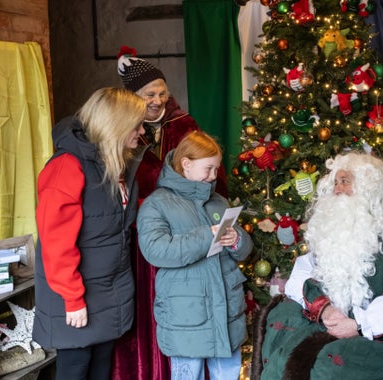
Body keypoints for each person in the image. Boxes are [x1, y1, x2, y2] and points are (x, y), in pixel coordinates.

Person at [253, 151, 383, 380]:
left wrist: (359, 324)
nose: (337, 189)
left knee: (327, 368)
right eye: (335, 182)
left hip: (377, 331)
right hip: (328, 318)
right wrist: (325, 309)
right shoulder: (335, 226)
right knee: (280, 326)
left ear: (370, 187)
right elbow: (305, 271)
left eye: (345, 181)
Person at [112, 46, 229, 380]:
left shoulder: (184, 126)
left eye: (162, 92)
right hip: (142, 236)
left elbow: (213, 180)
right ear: (132, 96)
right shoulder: (124, 134)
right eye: (150, 94)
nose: (158, 100)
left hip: (187, 232)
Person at [32, 87, 147, 380]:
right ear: (116, 125)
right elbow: (56, 245)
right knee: (75, 369)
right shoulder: (66, 167)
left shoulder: (114, 163)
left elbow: (115, 222)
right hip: (77, 296)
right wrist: (73, 299)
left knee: (101, 368)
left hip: (109, 292)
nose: (142, 131)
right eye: (137, 124)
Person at [137, 130, 253, 380]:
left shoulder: (218, 201)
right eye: (208, 169)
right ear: (186, 164)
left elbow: (244, 251)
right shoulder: (157, 203)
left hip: (226, 315)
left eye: (216, 169)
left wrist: (237, 240)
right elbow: (156, 250)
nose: (213, 176)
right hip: (187, 317)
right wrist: (205, 236)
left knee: (229, 374)